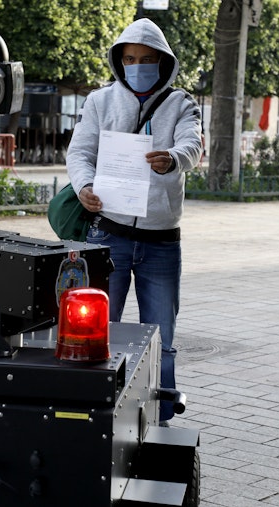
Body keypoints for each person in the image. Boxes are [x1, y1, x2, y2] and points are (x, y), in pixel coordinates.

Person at [66, 18, 203, 424]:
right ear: (119, 61)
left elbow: (193, 145)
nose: (137, 65)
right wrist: (85, 186)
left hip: (162, 243)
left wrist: (174, 159)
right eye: (129, 59)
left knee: (162, 337)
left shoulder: (181, 103)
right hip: (108, 236)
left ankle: (159, 418)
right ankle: (92, 413)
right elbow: (79, 153)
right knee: (96, 334)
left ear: (162, 62)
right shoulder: (99, 101)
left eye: (145, 59)